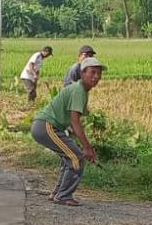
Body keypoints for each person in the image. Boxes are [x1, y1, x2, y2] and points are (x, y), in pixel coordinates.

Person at [30, 56, 105, 207]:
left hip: (48, 127)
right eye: (92, 72)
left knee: (69, 157)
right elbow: (75, 121)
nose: (96, 77)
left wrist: (80, 143)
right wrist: (87, 147)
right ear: (82, 74)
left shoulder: (81, 90)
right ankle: (63, 195)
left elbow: (72, 123)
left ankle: (58, 193)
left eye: (99, 73)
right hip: (46, 126)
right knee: (76, 157)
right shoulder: (79, 90)